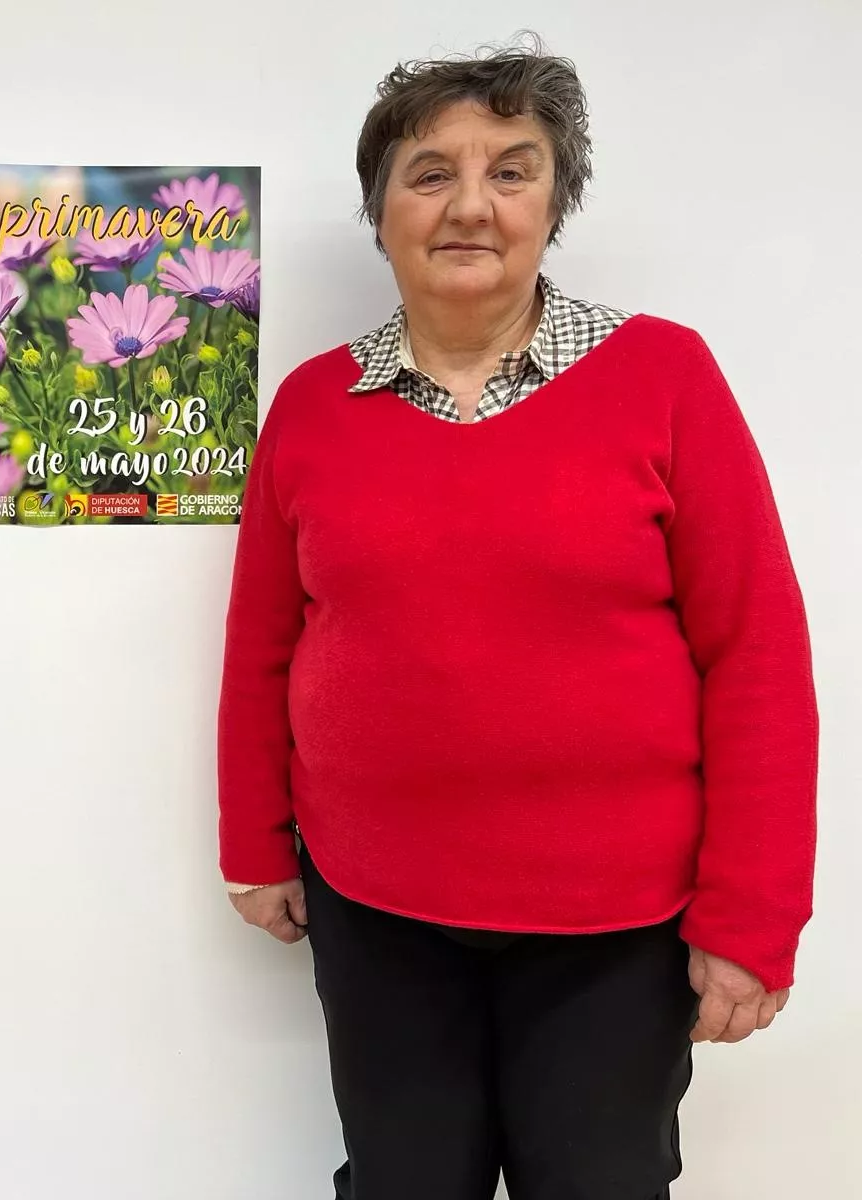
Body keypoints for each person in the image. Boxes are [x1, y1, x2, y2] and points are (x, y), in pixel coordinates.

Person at [217, 41, 817, 1200]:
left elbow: (755, 655)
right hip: (373, 906)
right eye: (429, 172)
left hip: (615, 924)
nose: (470, 205)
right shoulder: (313, 405)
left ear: (555, 203)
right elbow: (262, 647)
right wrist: (253, 840)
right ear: (380, 211)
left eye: (512, 169)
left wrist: (753, 912)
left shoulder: (664, 377)